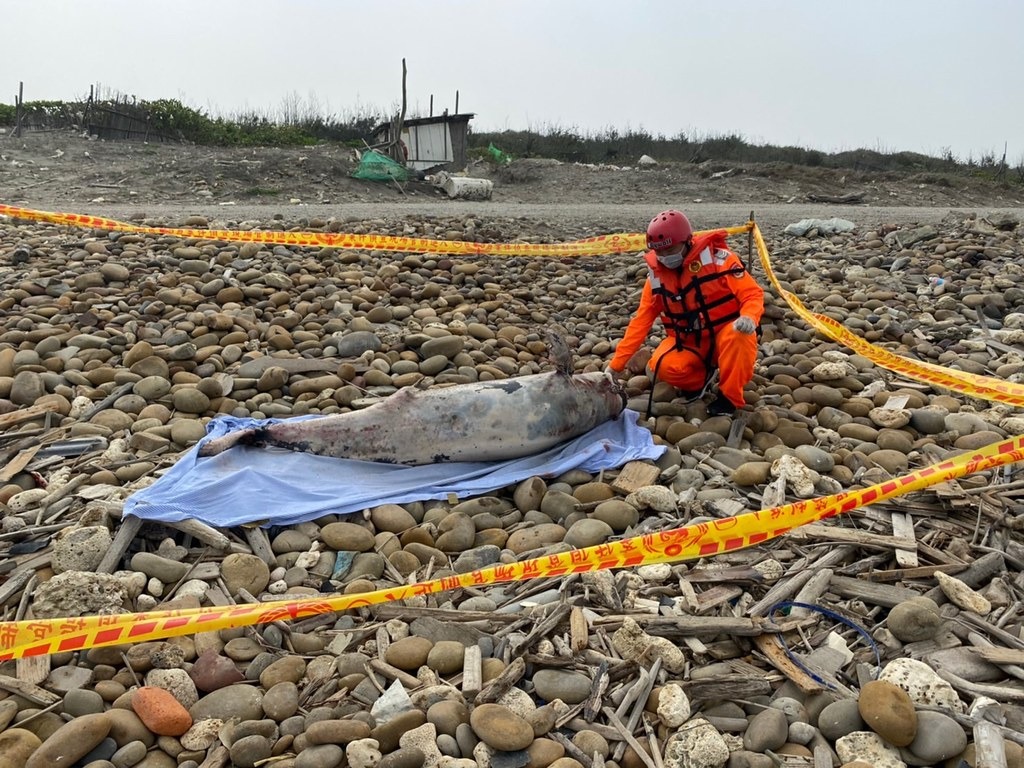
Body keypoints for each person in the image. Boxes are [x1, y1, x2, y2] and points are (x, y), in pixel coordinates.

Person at [605, 209, 765, 416]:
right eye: (659, 252)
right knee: (662, 365)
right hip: (691, 341)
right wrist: (615, 366)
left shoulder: (719, 260)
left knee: (740, 335)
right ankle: (699, 380)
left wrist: (749, 317)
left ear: (687, 240)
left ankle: (729, 398)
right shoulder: (656, 279)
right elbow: (640, 323)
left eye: (670, 249)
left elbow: (752, 294)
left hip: (726, 334)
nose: (665, 257)